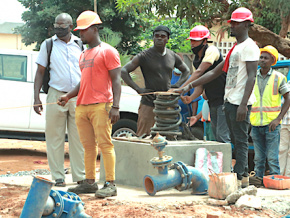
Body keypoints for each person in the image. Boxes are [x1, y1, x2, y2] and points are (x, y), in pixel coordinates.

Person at [174, 7, 260, 188]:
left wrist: (244, 104)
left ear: (246, 24)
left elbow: (252, 76)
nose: (233, 26)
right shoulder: (235, 48)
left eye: (236, 23)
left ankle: (240, 179)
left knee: (240, 140)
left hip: (239, 102)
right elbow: (215, 72)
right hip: (229, 101)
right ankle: (241, 176)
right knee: (235, 140)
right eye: (232, 23)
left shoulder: (250, 47)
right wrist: (189, 86)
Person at [58, 10, 122, 198]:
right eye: (79, 31)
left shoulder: (108, 51)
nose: (80, 34)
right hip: (82, 106)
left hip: (101, 105)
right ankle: (90, 182)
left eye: (83, 30)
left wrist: (116, 106)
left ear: (94, 29)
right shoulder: (84, 54)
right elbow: (83, 82)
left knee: (105, 144)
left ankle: (110, 183)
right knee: (88, 147)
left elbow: (117, 80)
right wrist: (68, 96)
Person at [34, 13, 85, 187]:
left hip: (77, 95)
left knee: (78, 138)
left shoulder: (80, 44)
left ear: (71, 27)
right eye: (57, 26)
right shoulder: (48, 45)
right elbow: (40, 72)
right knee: (54, 137)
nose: (59, 29)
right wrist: (36, 98)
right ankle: (58, 177)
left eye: (63, 27)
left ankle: (80, 176)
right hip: (56, 95)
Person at [121, 25, 191, 137]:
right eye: (156, 36)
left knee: (167, 135)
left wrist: (177, 85)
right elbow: (124, 71)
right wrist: (138, 89)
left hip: (166, 102)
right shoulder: (144, 55)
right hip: (148, 103)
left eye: (163, 36)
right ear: (153, 38)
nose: (159, 38)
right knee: (144, 135)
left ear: (167, 39)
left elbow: (186, 70)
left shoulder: (172, 56)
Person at [173, 25, 230, 143]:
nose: (192, 43)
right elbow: (200, 85)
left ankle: (228, 160)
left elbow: (199, 73)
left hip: (224, 99)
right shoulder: (196, 60)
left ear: (204, 41)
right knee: (215, 135)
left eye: (195, 40)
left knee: (222, 136)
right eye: (191, 40)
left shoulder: (211, 51)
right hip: (212, 101)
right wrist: (191, 97)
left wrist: (182, 88)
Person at [250, 45, 290, 179]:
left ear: (273, 60)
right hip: (255, 124)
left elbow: (288, 98)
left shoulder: (279, 77)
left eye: (266, 58)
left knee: (272, 158)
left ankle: (274, 182)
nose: (262, 60)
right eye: (261, 57)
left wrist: (278, 119)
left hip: (272, 125)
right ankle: (258, 182)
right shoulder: (252, 76)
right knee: (258, 159)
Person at [279, 81, 290, 177]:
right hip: (285, 121)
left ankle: (288, 176)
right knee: (281, 149)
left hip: (285, 121)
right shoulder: (288, 84)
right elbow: (283, 102)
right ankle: (279, 175)